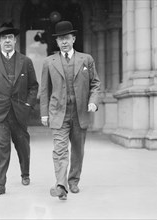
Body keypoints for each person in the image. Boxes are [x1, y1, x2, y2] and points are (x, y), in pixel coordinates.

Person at [40, 21, 101, 200]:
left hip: (80, 112)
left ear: (73, 38)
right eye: (60, 39)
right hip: (58, 112)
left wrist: (93, 102)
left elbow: (95, 83)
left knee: (77, 150)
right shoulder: (48, 62)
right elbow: (44, 90)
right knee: (59, 150)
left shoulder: (86, 59)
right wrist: (44, 113)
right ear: (57, 42)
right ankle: (61, 184)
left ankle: (73, 180)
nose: (64, 42)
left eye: (67, 38)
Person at [0, 22, 39, 198]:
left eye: (10, 38)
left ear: (15, 41)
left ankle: (25, 173)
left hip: (19, 113)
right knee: (1, 146)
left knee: (22, 145)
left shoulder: (25, 61)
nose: (7, 41)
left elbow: (33, 87)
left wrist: (28, 106)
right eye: (3, 38)